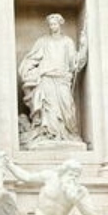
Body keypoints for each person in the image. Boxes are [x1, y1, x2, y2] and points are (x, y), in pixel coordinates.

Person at [17, 14, 88, 145]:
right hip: (47, 78)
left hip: (62, 79)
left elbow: (75, 63)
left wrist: (83, 46)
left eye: (54, 24)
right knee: (48, 109)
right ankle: (48, 135)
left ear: (60, 24)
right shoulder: (43, 41)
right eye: (50, 25)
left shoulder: (67, 42)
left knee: (67, 108)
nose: (52, 27)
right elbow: (31, 58)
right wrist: (28, 71)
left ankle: (67, 135)